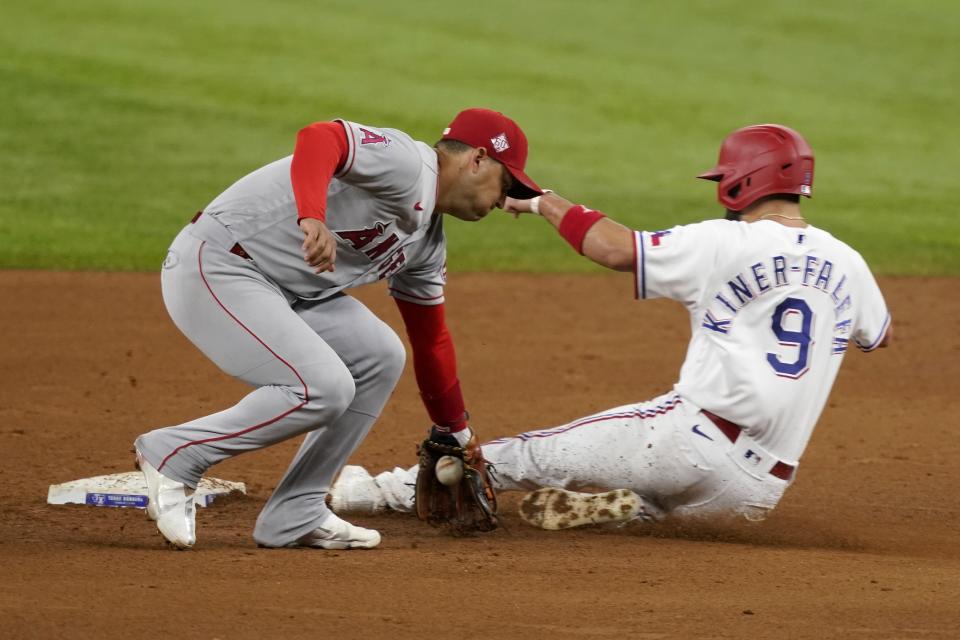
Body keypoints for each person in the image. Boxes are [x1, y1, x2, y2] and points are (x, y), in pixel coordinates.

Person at [329, 124, 893, 530]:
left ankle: (376, 492)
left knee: (527, 455)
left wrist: (544, 203)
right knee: (655, 509)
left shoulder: (728, 241)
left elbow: (617, 249)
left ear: (741, 182)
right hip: (758, 491)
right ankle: (621, 506)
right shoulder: (849, 263)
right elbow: (876, 334)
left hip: (687, 444)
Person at [133, 108, 543, 549]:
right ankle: (175, 454)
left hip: (288, 292)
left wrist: (456, 432)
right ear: (478, 160)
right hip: (219, 265)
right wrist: (312, 216)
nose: (504, 201)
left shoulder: (426, 244)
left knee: (382, 356)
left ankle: (296, 511)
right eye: (506, 184)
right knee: (322, 387)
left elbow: (431, 341)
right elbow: (320, 137)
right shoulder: (409, 164)